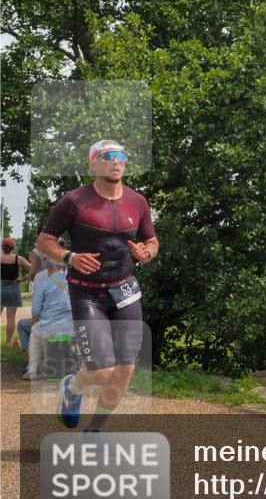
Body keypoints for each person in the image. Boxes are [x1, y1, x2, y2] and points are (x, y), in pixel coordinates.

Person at [36, 140, 159, 433]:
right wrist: (70, 257)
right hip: (87, 292)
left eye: (121, 156)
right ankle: (73, 387)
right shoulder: (73, 201)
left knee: (125, 368)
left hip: (126, 291)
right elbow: (44, 241)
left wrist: (146, 252)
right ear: (92, 164)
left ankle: (94, 432)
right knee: (102, 370)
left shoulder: (137, 201)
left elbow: (151, 241)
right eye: (107, 156)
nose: (116, 161)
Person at [17, 256, 73, 380]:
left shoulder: (43, 282)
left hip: (49, 326)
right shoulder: (73, 282)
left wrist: (36, 317)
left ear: (48, 270)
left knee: (35, 335)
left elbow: (36, 310)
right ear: (64, 268)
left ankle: (32, 369)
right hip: (71, 327)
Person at [1, 237, 30, 347]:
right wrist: (23, 279)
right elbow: (32, 269)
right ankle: (8, 342)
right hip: (14, 288)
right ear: (13, 247)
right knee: (11, 317)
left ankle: (8, 342)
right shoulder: (19, 258)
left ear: (2, 247)